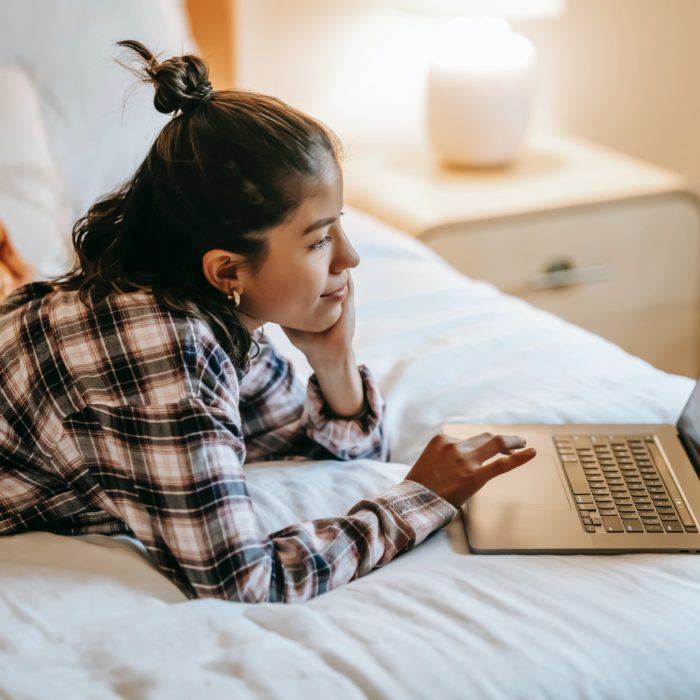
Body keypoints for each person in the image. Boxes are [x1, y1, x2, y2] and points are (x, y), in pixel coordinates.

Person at [0, 40, 536, 603]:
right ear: (228, 269)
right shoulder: (162, 357)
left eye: (339, 226)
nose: (350, 258)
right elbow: (245, 579)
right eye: (320, 238)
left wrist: (333, 360)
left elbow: (312, 448)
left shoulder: (203, 305)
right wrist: (422, 496)